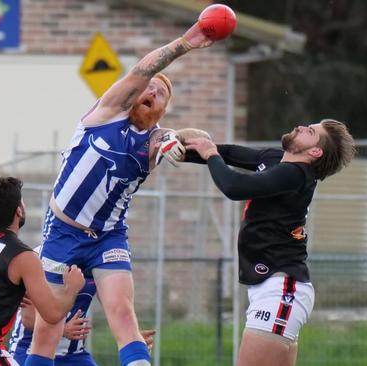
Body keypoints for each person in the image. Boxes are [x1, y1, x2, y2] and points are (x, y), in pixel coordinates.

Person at [25, 22, 217, 366]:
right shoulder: (106, 113)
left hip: (108, 237)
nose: (153, 93)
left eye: (161, 96)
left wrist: (176, 137)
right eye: (151, 89)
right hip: (63, 232)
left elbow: (192, 134)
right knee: (48, 329)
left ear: (162, 113)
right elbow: (144, 69)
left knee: (123, 315)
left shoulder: (153, 142)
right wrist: (185, 43)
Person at [185, 119, 356, 366]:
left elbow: (234, 186)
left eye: (310, 131)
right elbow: (229, 153)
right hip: (276, 288)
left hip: (282, 288)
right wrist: (166, 148)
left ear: (315, 152)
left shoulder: (296, 174)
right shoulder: (278, 159)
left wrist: (210, 153)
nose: (300, 126)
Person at [0, 176, 84, 365]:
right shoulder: (23, 256)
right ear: (19, 211)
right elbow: (52, 314)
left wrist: (8, 291)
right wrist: (72, 288)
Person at [9, 262, 155, 366]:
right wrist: (63, 330)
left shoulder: (96, 261)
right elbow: (27, 319)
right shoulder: (39, 259)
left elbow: (115, 307)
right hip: (29, 350)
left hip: (73, 355)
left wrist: (131, 335)